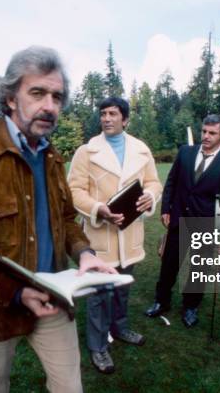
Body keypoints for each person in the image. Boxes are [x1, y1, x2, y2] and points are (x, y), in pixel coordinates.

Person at [0, 46, 116, 393]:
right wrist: (14, 292)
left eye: (57, 97)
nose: (49, 106)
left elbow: (66, 219)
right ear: (11, 97)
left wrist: (85, 253)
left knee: (70, 388)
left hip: (53, 298)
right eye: (37, 93)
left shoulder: (53, 157)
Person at [68, 97, 163, 374]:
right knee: (99, 294)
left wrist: (150, 196)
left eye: (112, 114)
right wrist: (99, 209)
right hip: (100, 237)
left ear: (125, 119)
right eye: (103, 114)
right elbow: (74, 191)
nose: (106, 118)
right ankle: (98, 347)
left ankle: (120, 329)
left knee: (122, 288)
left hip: (130, 235)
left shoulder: (141, 150)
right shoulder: (86, 152)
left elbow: (154, 183)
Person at [145, 114, 220, 328]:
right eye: (204, 131)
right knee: (168, 265)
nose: (206, 136)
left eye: (212, 133)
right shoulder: (185, 153)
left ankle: (190, 307)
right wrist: (166, 208)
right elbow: (171, 182)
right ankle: (161, 301)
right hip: (178, 219)